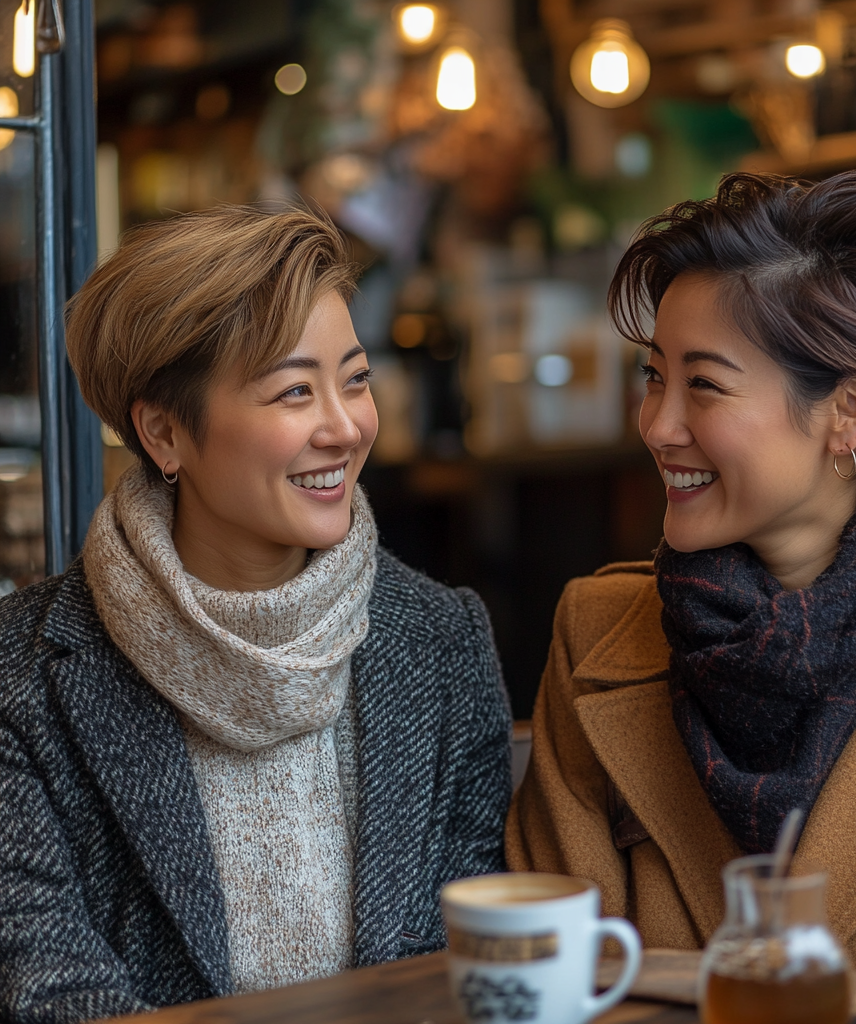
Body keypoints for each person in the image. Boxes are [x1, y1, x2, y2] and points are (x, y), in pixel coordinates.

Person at [507, 171, 856, 1001]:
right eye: (654, 377)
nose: (658, 425)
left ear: (848, 412)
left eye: (703, 384)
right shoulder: (596, 637)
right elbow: (551, 982)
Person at [0, 204, 511, 1023]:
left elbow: (476, 963)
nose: (345, 428)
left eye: (355, 379)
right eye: (295, 392)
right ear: (164, 433)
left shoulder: (442, 642)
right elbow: (54, 995)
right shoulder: (23, 676)